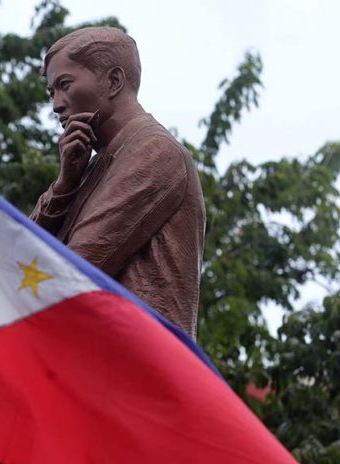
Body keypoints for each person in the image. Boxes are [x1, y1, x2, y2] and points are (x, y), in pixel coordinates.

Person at [30, 27, 205, 339]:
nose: (56, 104)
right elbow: (21, 252)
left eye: (65, 85)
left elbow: (73, 270)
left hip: (142, 365)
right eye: (51, 92)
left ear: (113, 81)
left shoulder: (153, 151)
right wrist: (65, 185)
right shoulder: (94, 166)